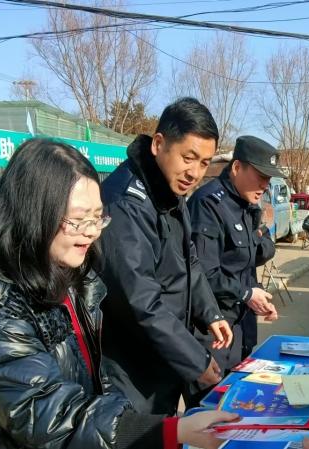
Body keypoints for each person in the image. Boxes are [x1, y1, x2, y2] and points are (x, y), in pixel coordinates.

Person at [0, 138, 236, 449]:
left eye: (97, 218)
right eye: (77, 220)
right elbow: (46, 416)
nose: (90, 233)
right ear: (33, 215)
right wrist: (171, 432)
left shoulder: (67, 272)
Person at [98, 98, 233, 416]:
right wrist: (197, 361)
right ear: (159, 144)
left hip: (165, 356)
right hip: (131, 369)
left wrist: (210, 313)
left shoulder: (170, 191)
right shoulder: (125, 205)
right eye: (189, 158)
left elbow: (190, 262)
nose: (195, 173)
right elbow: (140, 301)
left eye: (204, 163)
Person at [187, 135, 281, 403]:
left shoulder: (247, 206)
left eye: (269, 178)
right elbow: (203, 273)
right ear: (237, 167)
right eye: (261, 176)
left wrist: (256, 296)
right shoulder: (208, 204)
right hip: (212, 332)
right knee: (210, 416)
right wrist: (247, 294)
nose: (265, 185)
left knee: (239, 408)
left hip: (241, 327)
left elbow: (245, 264)